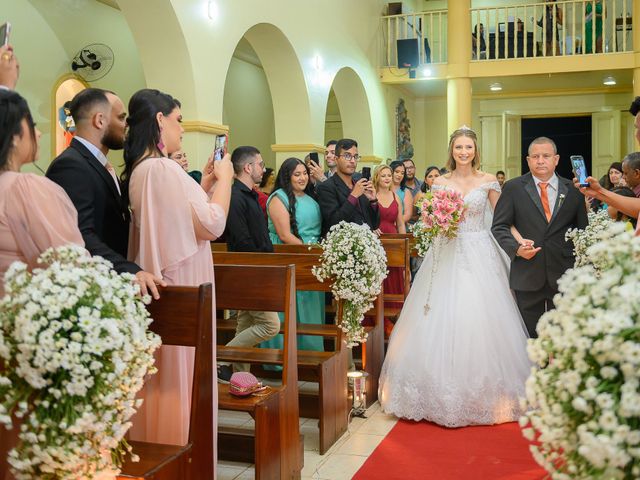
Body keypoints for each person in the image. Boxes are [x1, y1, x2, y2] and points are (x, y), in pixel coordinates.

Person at [379, 127, 530, 427]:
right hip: (446, 251)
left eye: (468, 147)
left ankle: (486, 395)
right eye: (459, 147)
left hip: (479, 251)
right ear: (452, 150)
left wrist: (520, 240)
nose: (464, 152)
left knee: (479, 317)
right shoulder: (441, 182)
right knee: (440, 316)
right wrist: (438, 219)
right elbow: (426, 220)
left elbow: (502, 220)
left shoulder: (488, 181)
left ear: (475, 150)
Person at [123, 89, 233, 449]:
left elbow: (179, 219)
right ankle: (187, 458)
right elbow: (211, 225)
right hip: (185, 281)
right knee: (183, 377)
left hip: (165, 284)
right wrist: (227, 179)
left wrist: (203, 186)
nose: (182, 129)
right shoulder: (162, 168)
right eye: (179, 120)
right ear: (159, 120)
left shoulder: (143, 170)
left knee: (166, 379)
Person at [0, 90, 85, 479]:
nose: (37, 131)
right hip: (25, 344)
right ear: (16, 134)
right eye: (32, 124)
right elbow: (70, 267)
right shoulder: (26, 189)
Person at [46, 88, 163, 299]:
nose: (126, 124)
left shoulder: (99, 165)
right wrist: (130, 270)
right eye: (120, 117)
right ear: (100, 120)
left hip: (109, 284)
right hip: (91, 289)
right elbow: (81, 234)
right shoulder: (71, 166)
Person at [492, 136, 588, 338]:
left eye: (546, 156)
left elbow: (582, 231)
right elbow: (499, 226)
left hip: (564, 273)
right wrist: (516, 249)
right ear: (528, 160)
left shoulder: (574, 190)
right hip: (527, 273)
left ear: (556, 159)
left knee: (564, 335)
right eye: (535, 156)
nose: (540, 160)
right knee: (529, 337)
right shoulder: (513, 188)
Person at [219, 146, 280, 380]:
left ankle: (238, 377)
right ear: (248, 167)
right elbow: (241, 239)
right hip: (249, 270)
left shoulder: (250, 194)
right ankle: (222, 359)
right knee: (270, 325)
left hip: (257, 268)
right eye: (261, 164)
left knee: (244, 325)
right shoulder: (235, 197)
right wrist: (260, 265)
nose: (263, 169)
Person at [263, 157, 324, 353]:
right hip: (289, 253)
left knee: (309, 304)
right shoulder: (278, 198)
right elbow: (284, 234)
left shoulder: (310, 198)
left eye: (305, 173)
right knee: (290, 305)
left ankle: (310, 352)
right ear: (286, 176)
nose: (302, 178)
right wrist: (308, 252)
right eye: (297, 174)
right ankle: (283, 356)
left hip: (309, 256)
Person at [316, 138, 380, 236]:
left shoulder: (359, 185)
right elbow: (334, 222)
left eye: (355, 157)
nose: (353, 161)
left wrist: (373, 201)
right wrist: (353, 195)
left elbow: (374, 225)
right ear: (336, 159)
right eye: (347, 156)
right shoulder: (326, 187)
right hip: (343, 246)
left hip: (366, 244)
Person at [372, 164, 405, 337]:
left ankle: (394, 326)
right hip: (377, 241)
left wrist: (404, 243)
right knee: (381, 281)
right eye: (383, 175)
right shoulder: (371, 195)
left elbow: (400, 223)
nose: (387, 178)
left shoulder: (395, 196)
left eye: (389, 175)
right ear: (376, 177)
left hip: (393, 242)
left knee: (394, 281)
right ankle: (380, 325)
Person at [390, 160, 413, 224]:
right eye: (397, 172)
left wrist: (393, 223)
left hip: (400, 227)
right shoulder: (384, 189)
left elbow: (407, 215)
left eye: (402, 173)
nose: (399, 175)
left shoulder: (406, 192)